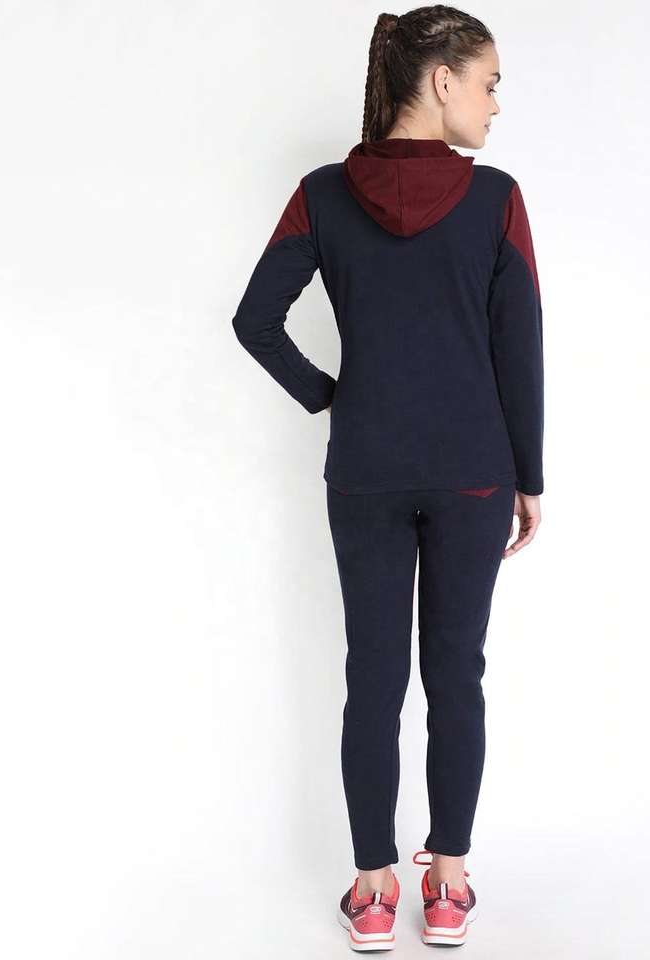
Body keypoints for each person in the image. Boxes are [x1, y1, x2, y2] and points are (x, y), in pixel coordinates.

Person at [230, 5, 544, 950]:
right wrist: (529, 475)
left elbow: (254, 321)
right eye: (489, 83)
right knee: (457, 675)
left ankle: (372, 891)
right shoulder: (496, 200)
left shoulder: (323, 195)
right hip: (474, 474)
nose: (495, 104)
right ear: (443, 81)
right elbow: (519, 347)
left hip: (364, 467)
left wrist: (333, 396)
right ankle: (447, 884)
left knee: (371, 677)